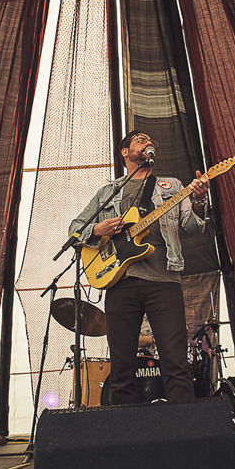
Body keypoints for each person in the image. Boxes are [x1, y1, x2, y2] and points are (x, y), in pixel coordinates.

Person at [69, 131, 209, 404]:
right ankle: (125, 433)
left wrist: (200, 200)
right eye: (141, 140)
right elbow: (75, 230)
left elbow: (193, 227)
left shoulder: (171, 186)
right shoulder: (109, 192)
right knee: (122, 365)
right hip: (119, 282)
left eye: (151, 142)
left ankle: (184, 430)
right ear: (125, 152)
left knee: (175, 361)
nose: (148, 144)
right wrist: (97, 229)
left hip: (164, 281)